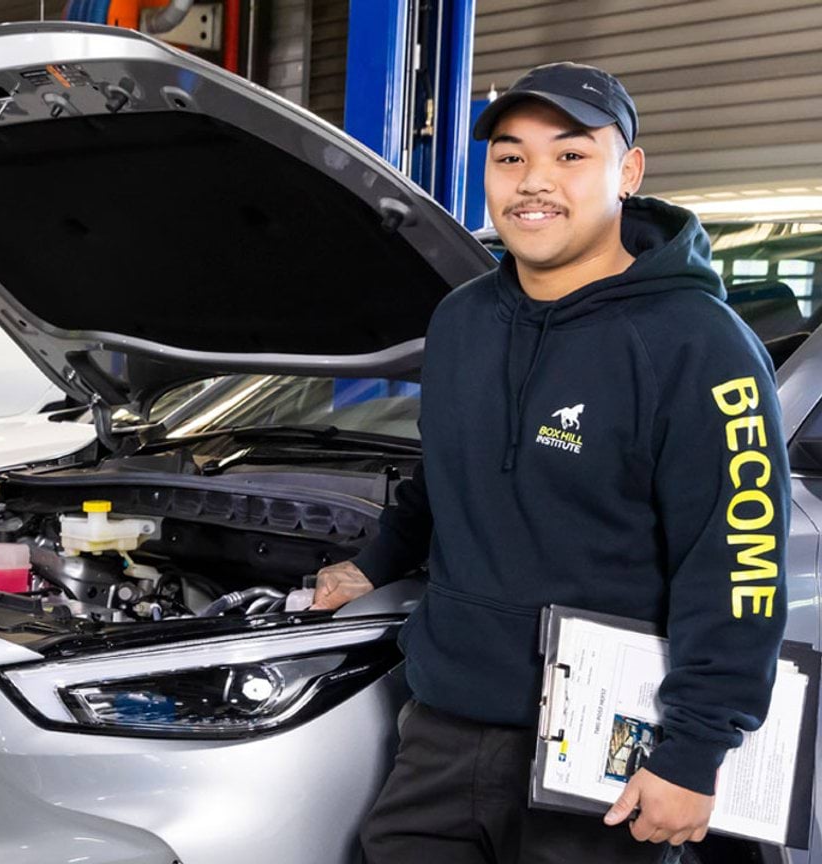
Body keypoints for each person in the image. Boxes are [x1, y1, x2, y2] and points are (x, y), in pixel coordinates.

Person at [297, 63, 789, 862]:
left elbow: (739, 562)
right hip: (445, 725)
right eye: (510, 157)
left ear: (627, 172)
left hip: (602, 751)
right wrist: (373, 562)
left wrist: (693, 754)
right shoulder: (462, 319)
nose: (534, 182)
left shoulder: (698, 344)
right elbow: (446, 468)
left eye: (570, 156)